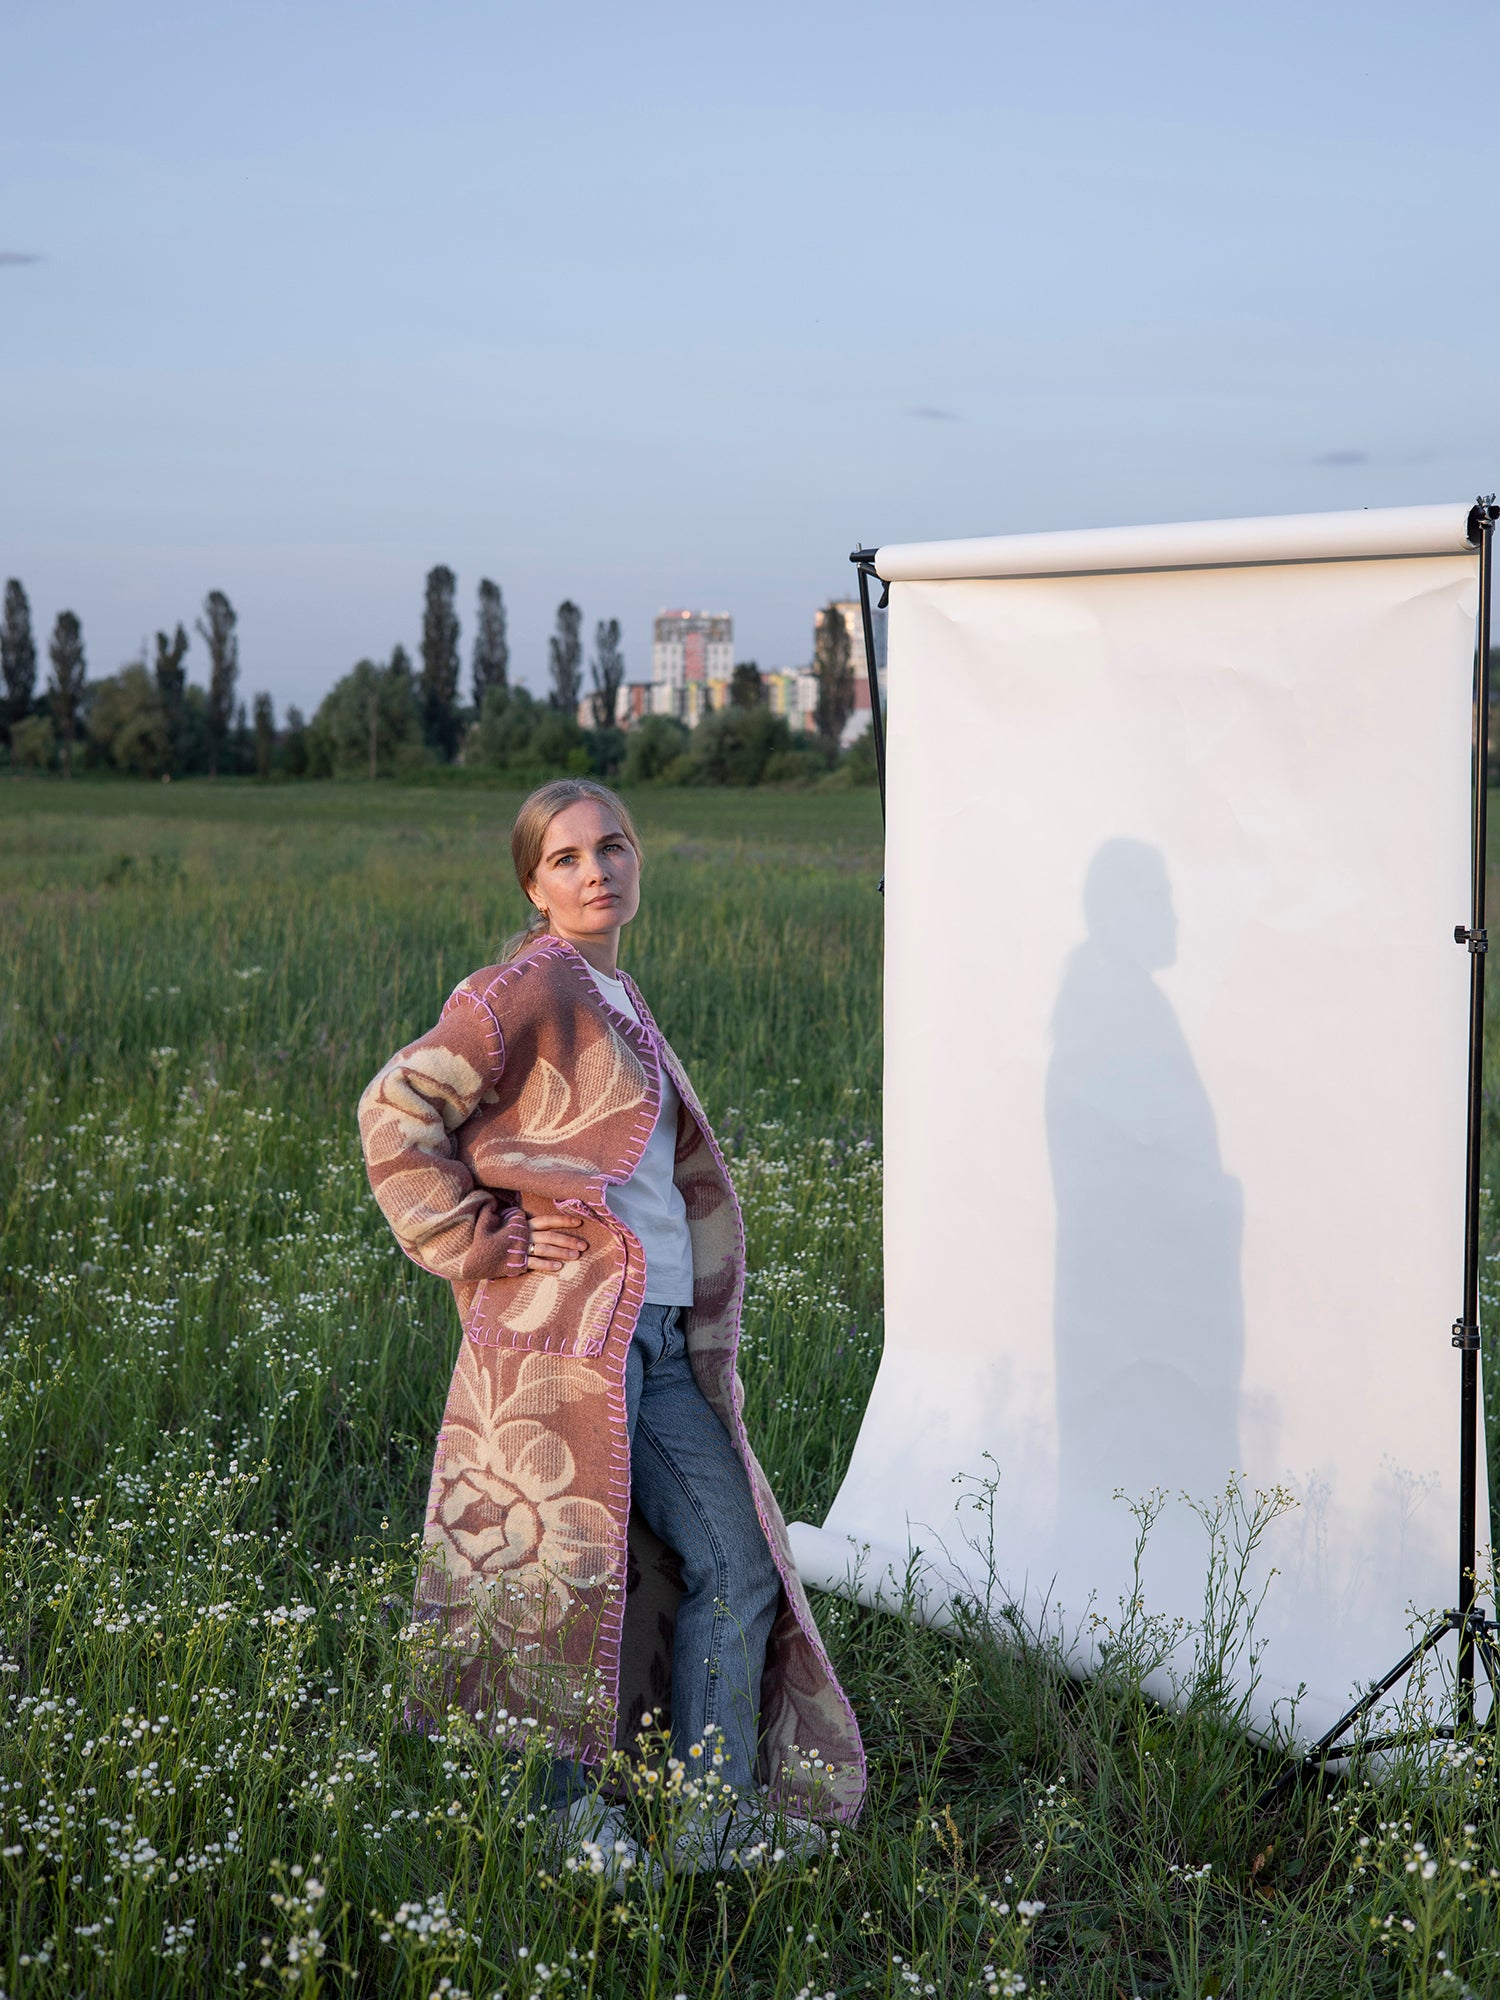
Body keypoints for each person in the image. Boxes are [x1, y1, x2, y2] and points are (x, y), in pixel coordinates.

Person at [357, 778, 863, 1881]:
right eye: (570, 858)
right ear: (535, 885)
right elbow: (394, 1104)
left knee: (737, 1558)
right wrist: (471, 1236)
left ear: (638, 861)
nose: (598, 871)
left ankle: (703, 1813)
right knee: (556, 1572)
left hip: (660, 1340)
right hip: (563, 1334)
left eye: (614, 847)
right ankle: (564, 1816)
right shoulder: (530, 984)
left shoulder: (618, 993)